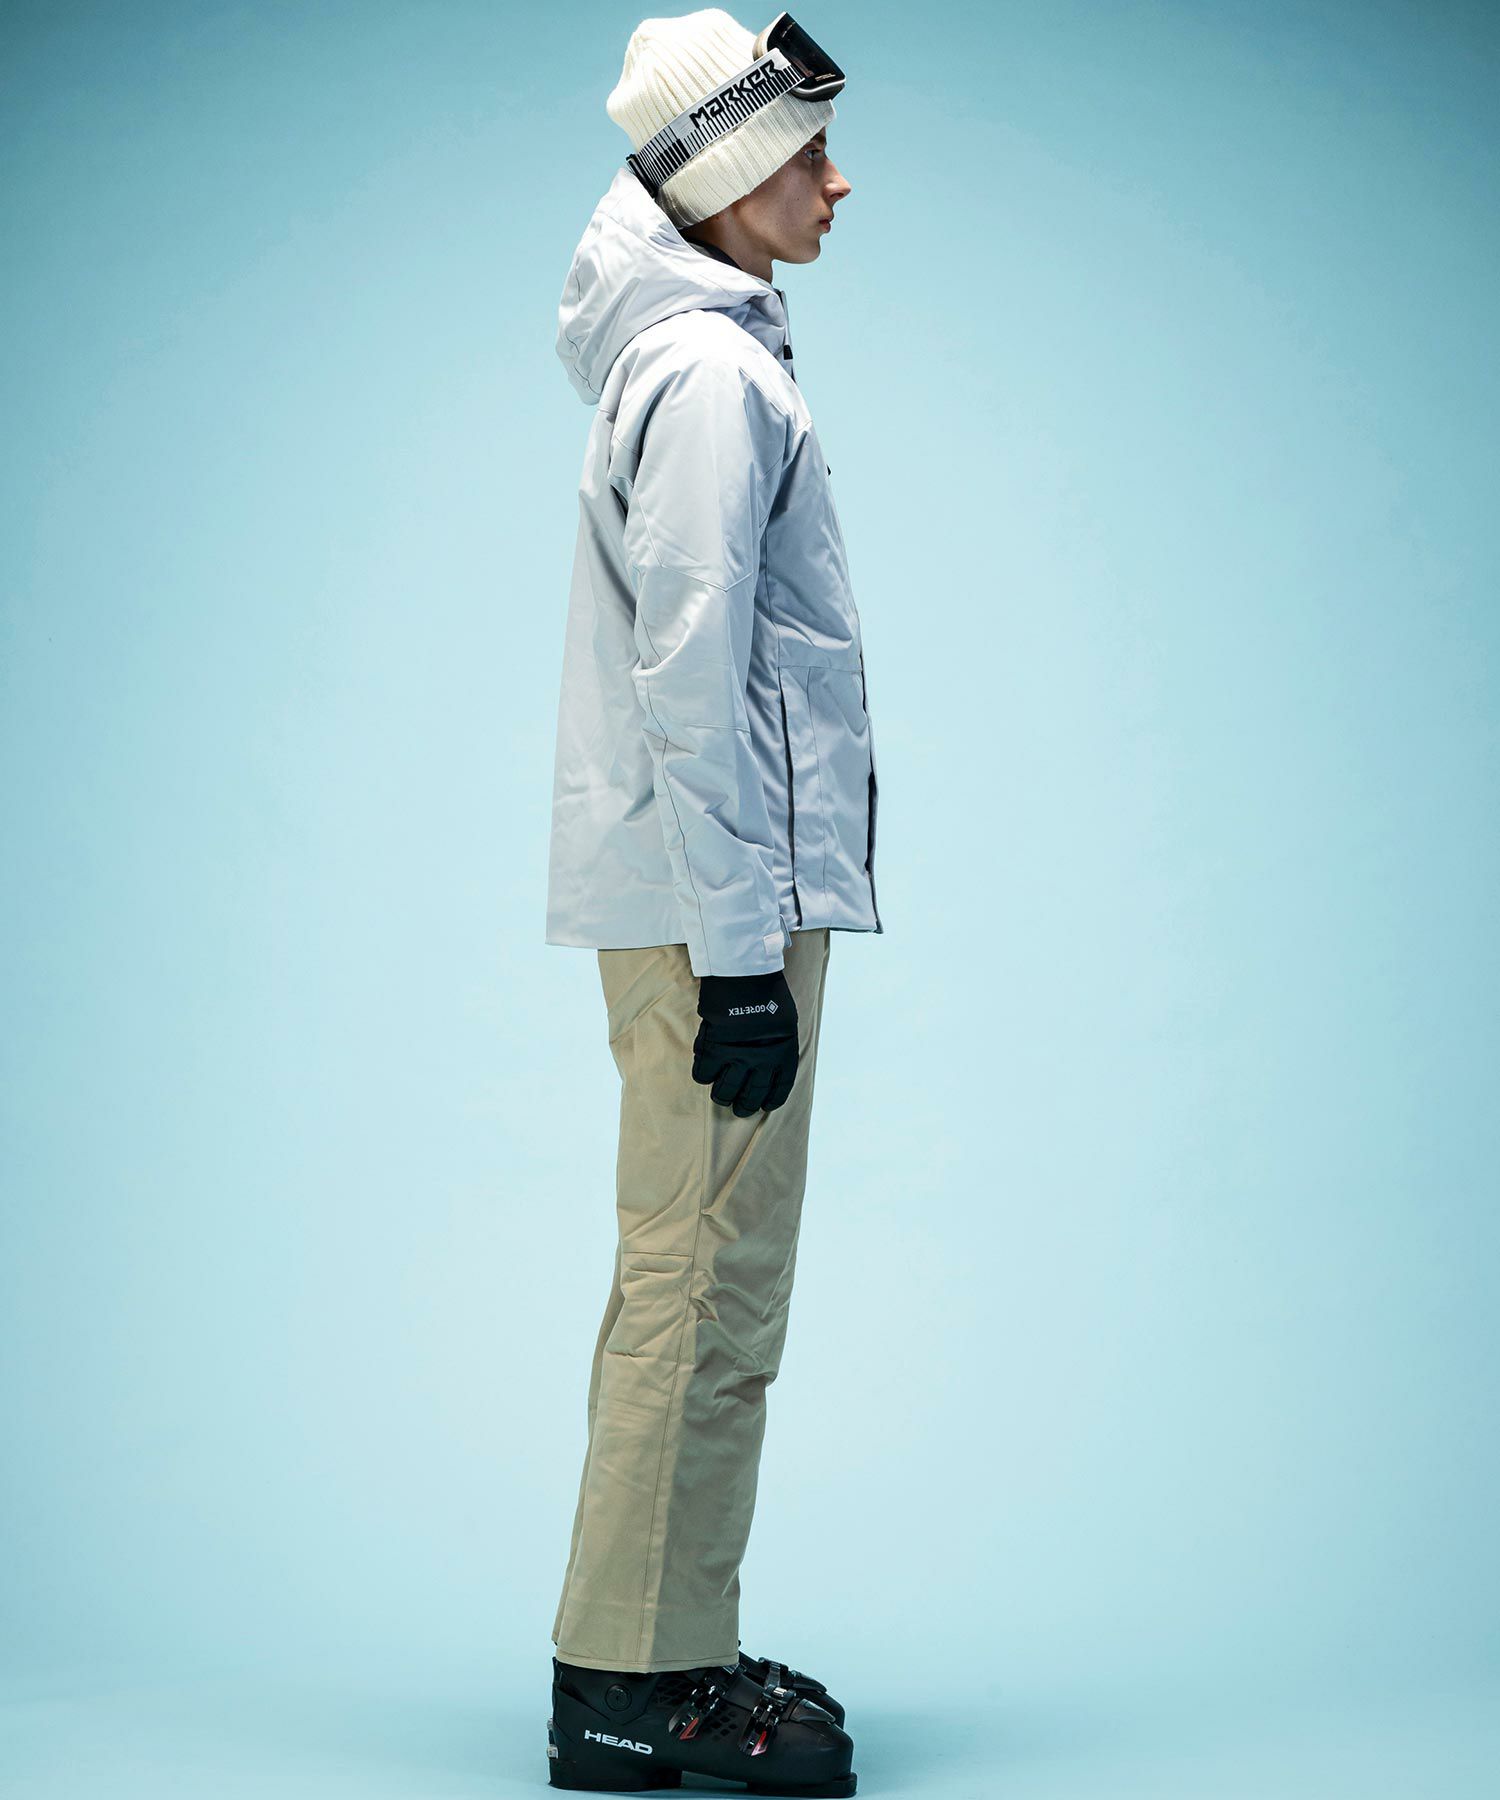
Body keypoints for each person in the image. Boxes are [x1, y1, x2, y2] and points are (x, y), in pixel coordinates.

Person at [541, 12, 880, 1794]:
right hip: (714, 912)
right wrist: (744, 964)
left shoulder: (705, 359)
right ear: (735, 173)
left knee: (718, 1279)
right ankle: (622, 1680)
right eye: (810, 151)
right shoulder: (710, 381)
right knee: (695, 1284)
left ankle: (668, 1642)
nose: (839, 181)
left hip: (716, 898)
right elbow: (696, 679)